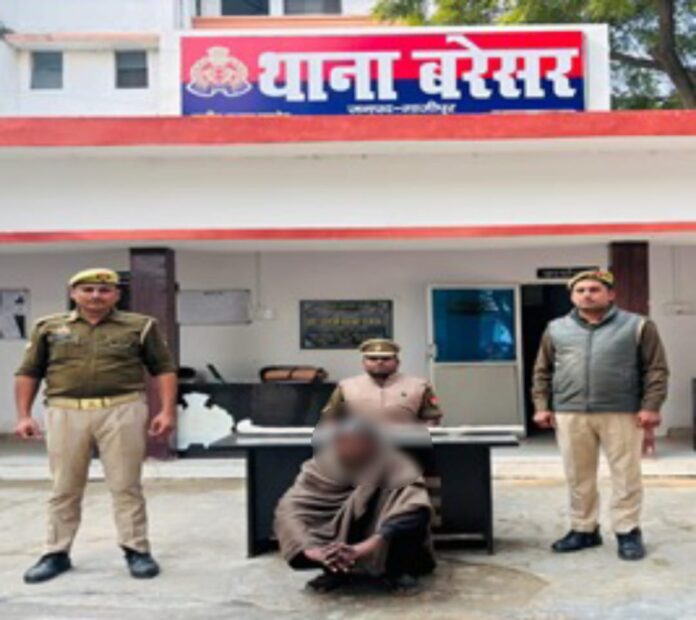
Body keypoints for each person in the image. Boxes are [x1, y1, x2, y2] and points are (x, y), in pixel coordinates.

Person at [14, 268, 178, 583]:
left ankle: (136, 550)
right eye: (87, 289)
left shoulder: (140, 326)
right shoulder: (48, 327)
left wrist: (167, 411)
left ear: (116, 295)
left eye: (104, 290)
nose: (95, 296)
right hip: (65, 411)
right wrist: (23, 414)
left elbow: (164, 368)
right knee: (64, 487)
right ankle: (56, 552)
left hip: (122, 410)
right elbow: (29, 371)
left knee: (126, 485)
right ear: (73, 293)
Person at [532, 269, 669, 561]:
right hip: (570, 412)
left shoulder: (638, 326)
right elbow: (542, 370)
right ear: (572, 296)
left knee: (626, 474)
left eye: (594, 289)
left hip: (622, 411)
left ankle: (627, 531)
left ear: (610, 294)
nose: (587, 295)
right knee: (577, 474)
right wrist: (542, 405)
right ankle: (584, 529)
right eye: (580, 290)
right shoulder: (556, 328)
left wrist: (651, 406)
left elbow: (656, 369)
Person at [274, 419, 435, 593]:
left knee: (410, 516)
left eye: (359, 445)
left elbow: (415, 506)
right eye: (346, 444)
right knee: (295, 520)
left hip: (382, 544)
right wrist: (316, 553)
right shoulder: (320, 467)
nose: (352, 451)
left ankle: (398, 573)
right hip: (331, 540)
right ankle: (335, 569)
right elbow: (290, 509)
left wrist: (361, 549)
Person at [321, 339, 442, 425]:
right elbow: (330, 418)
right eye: (373, 358)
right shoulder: (346, 386)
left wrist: (420, 441)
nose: (379, 362)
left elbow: (432, 418)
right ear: (363, 363)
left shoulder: (419, 386)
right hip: (360, 447)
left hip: (407, 447)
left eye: (386, 358)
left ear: (397, 362)